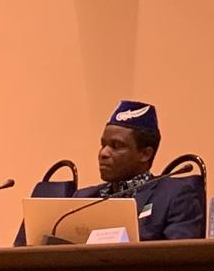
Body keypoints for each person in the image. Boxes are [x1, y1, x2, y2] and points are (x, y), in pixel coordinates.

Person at [73, 100, 203, 240]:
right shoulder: (83, 199)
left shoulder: (175, 196)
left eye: (116, 146)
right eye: (103, 144)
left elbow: (179, 256)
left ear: (145, 154)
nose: (103, 153)